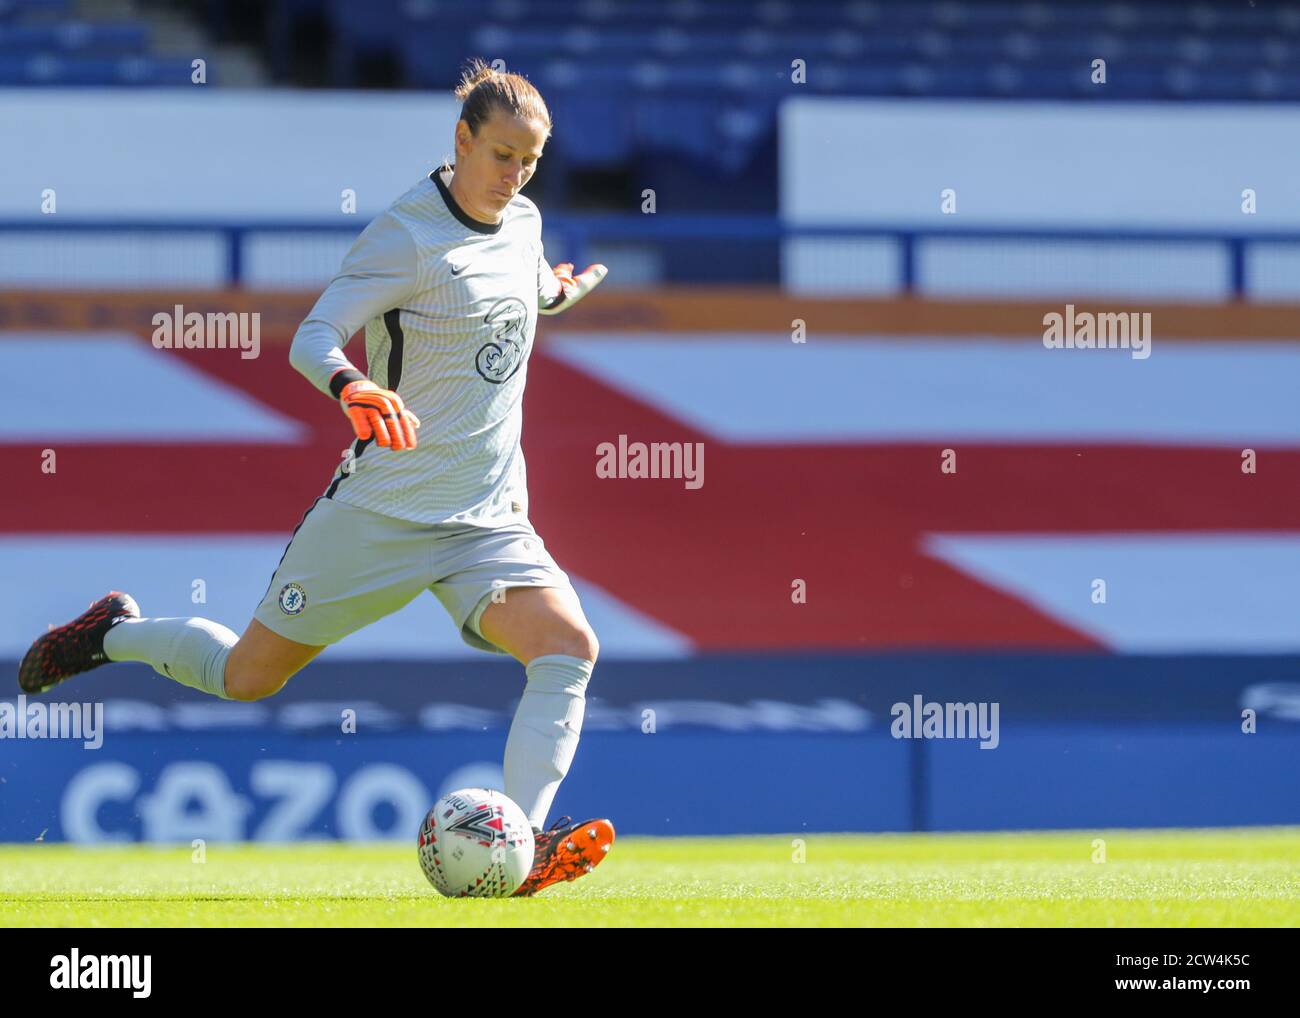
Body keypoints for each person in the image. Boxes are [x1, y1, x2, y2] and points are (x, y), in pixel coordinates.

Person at [17, 58, 613, 896]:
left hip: (487, 517)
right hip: (381, 512)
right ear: (462, 140)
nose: (514, 176)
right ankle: (112, 631)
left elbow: (509, 290)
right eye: (502, 155)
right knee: (248, 677)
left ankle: (521, 850)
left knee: (569, 648)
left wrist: (548, 292)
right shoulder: (406, 235)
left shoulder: (523, 224)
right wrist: (353, 383)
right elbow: (313, 336)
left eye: (530, 162)